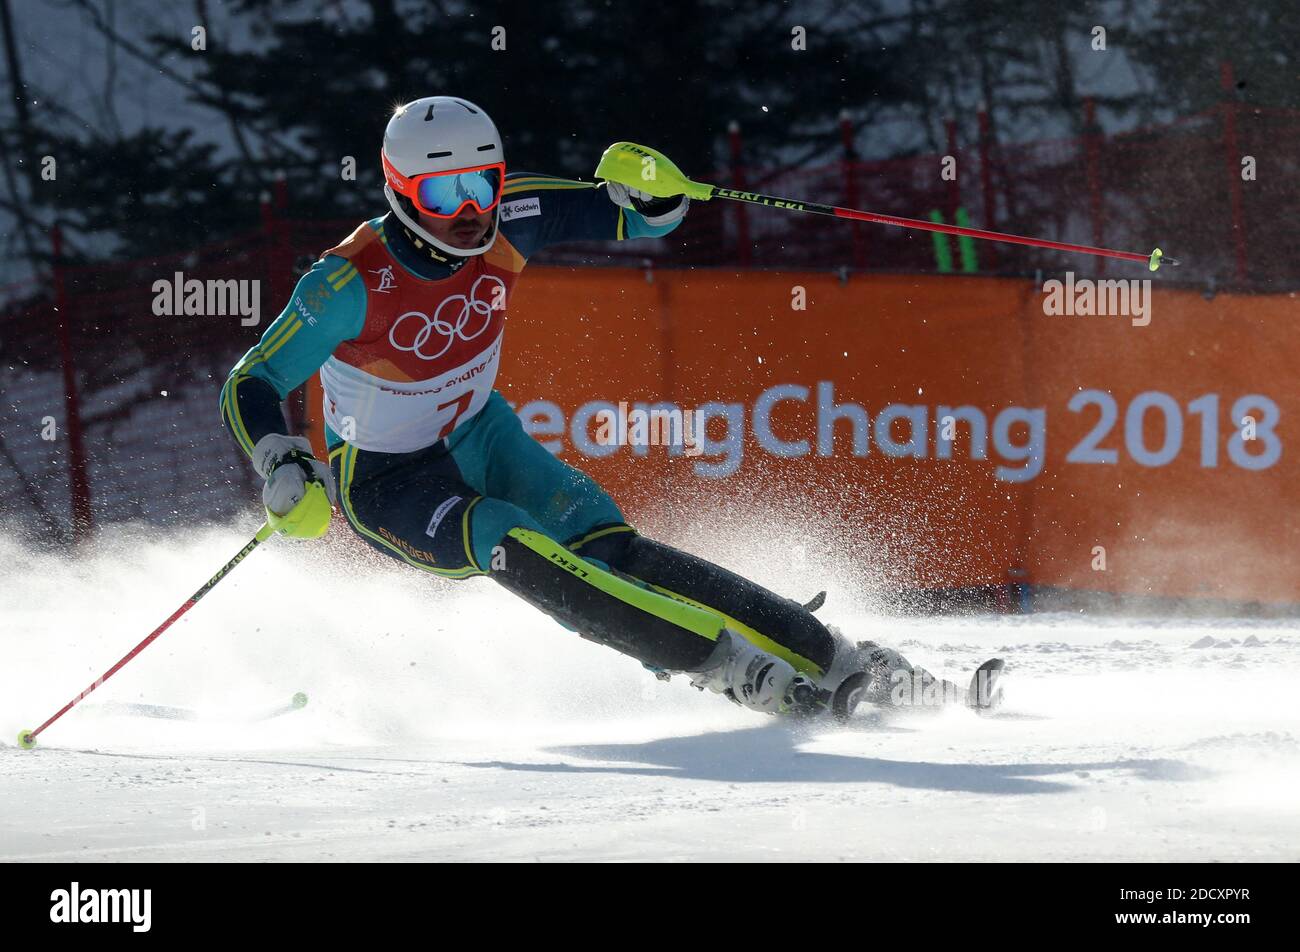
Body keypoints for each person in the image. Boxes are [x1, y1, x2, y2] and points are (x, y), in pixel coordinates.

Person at [220, 96, 993, 718]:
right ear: (398, 192)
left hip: (481, 433)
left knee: (606, 541)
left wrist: (656, 193)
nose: (469, 211)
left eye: (482, 185)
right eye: (443, 194)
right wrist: (281, 457)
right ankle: (725, 666)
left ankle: (838, 657)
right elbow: (251, 379)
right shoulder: (348, 280)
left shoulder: (511, 219)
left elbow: (637, 215)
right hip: (388, 484)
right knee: (503, 532)